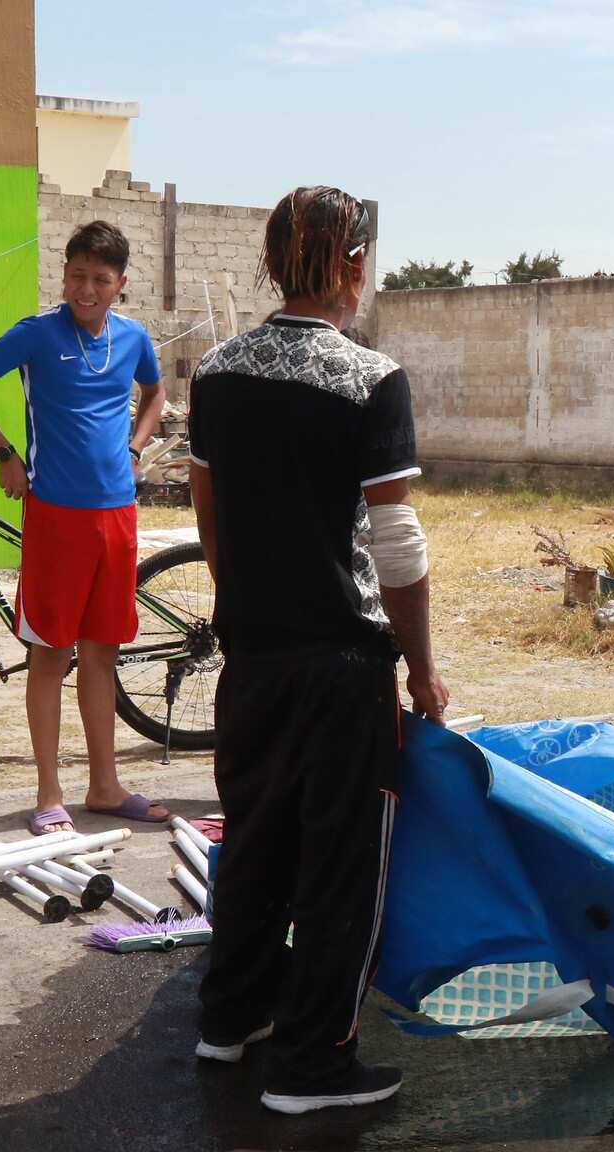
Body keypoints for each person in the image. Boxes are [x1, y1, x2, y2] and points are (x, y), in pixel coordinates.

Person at [186, 186, 447, 1115]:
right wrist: (420, 665)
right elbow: (398, 544)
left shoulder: (216, 373)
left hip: (251, 659)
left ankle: (230, 1020)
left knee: (255, 840)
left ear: (268, 264)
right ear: (353, 266)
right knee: (340, 867)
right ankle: (313, 1063)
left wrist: (249, 603)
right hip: (343, 666)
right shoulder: (372, 379)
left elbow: (208, 512)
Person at [0, 220, 169, 834]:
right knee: (50, 656)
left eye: (100, 278)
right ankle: (49, 794)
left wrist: (137, 449)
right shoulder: (37, 335)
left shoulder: (133, 338)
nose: (86, 288)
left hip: (117, 517)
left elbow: (156, 394)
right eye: (76, 275)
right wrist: (3, 454)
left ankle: (105, 785)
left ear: (120, 283)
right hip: (55, 520)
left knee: (103, 654)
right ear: (63, 274)